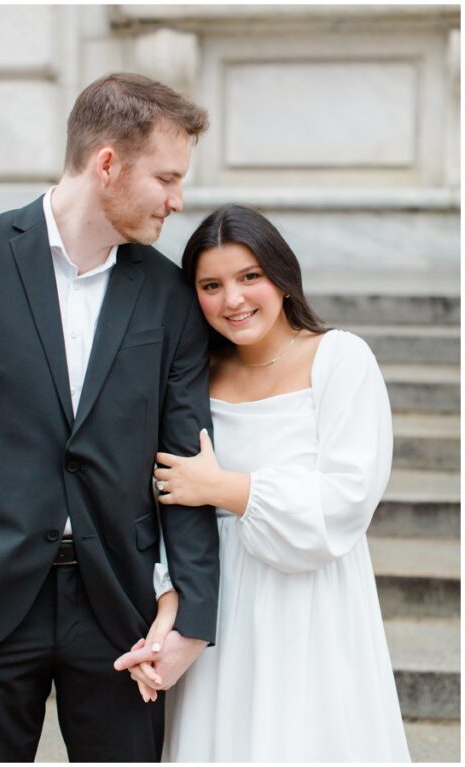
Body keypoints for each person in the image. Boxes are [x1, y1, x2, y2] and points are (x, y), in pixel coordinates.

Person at [0, 73, 221, 762]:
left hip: (119, 608)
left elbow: (185, 466)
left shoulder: (171, 297)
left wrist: (191, 610)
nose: (177, 199)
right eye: (166, 177)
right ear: (107, 163)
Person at [115, 204, 411, 761]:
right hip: (219, 602)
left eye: (250, 276)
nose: (234, 300)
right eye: (211, 284)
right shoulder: (194, 374)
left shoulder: (340, 358)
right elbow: (162, 497)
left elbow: (347, 498)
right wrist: (171, 598)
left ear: (282, 274)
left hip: (311, 603)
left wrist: (224, 488)